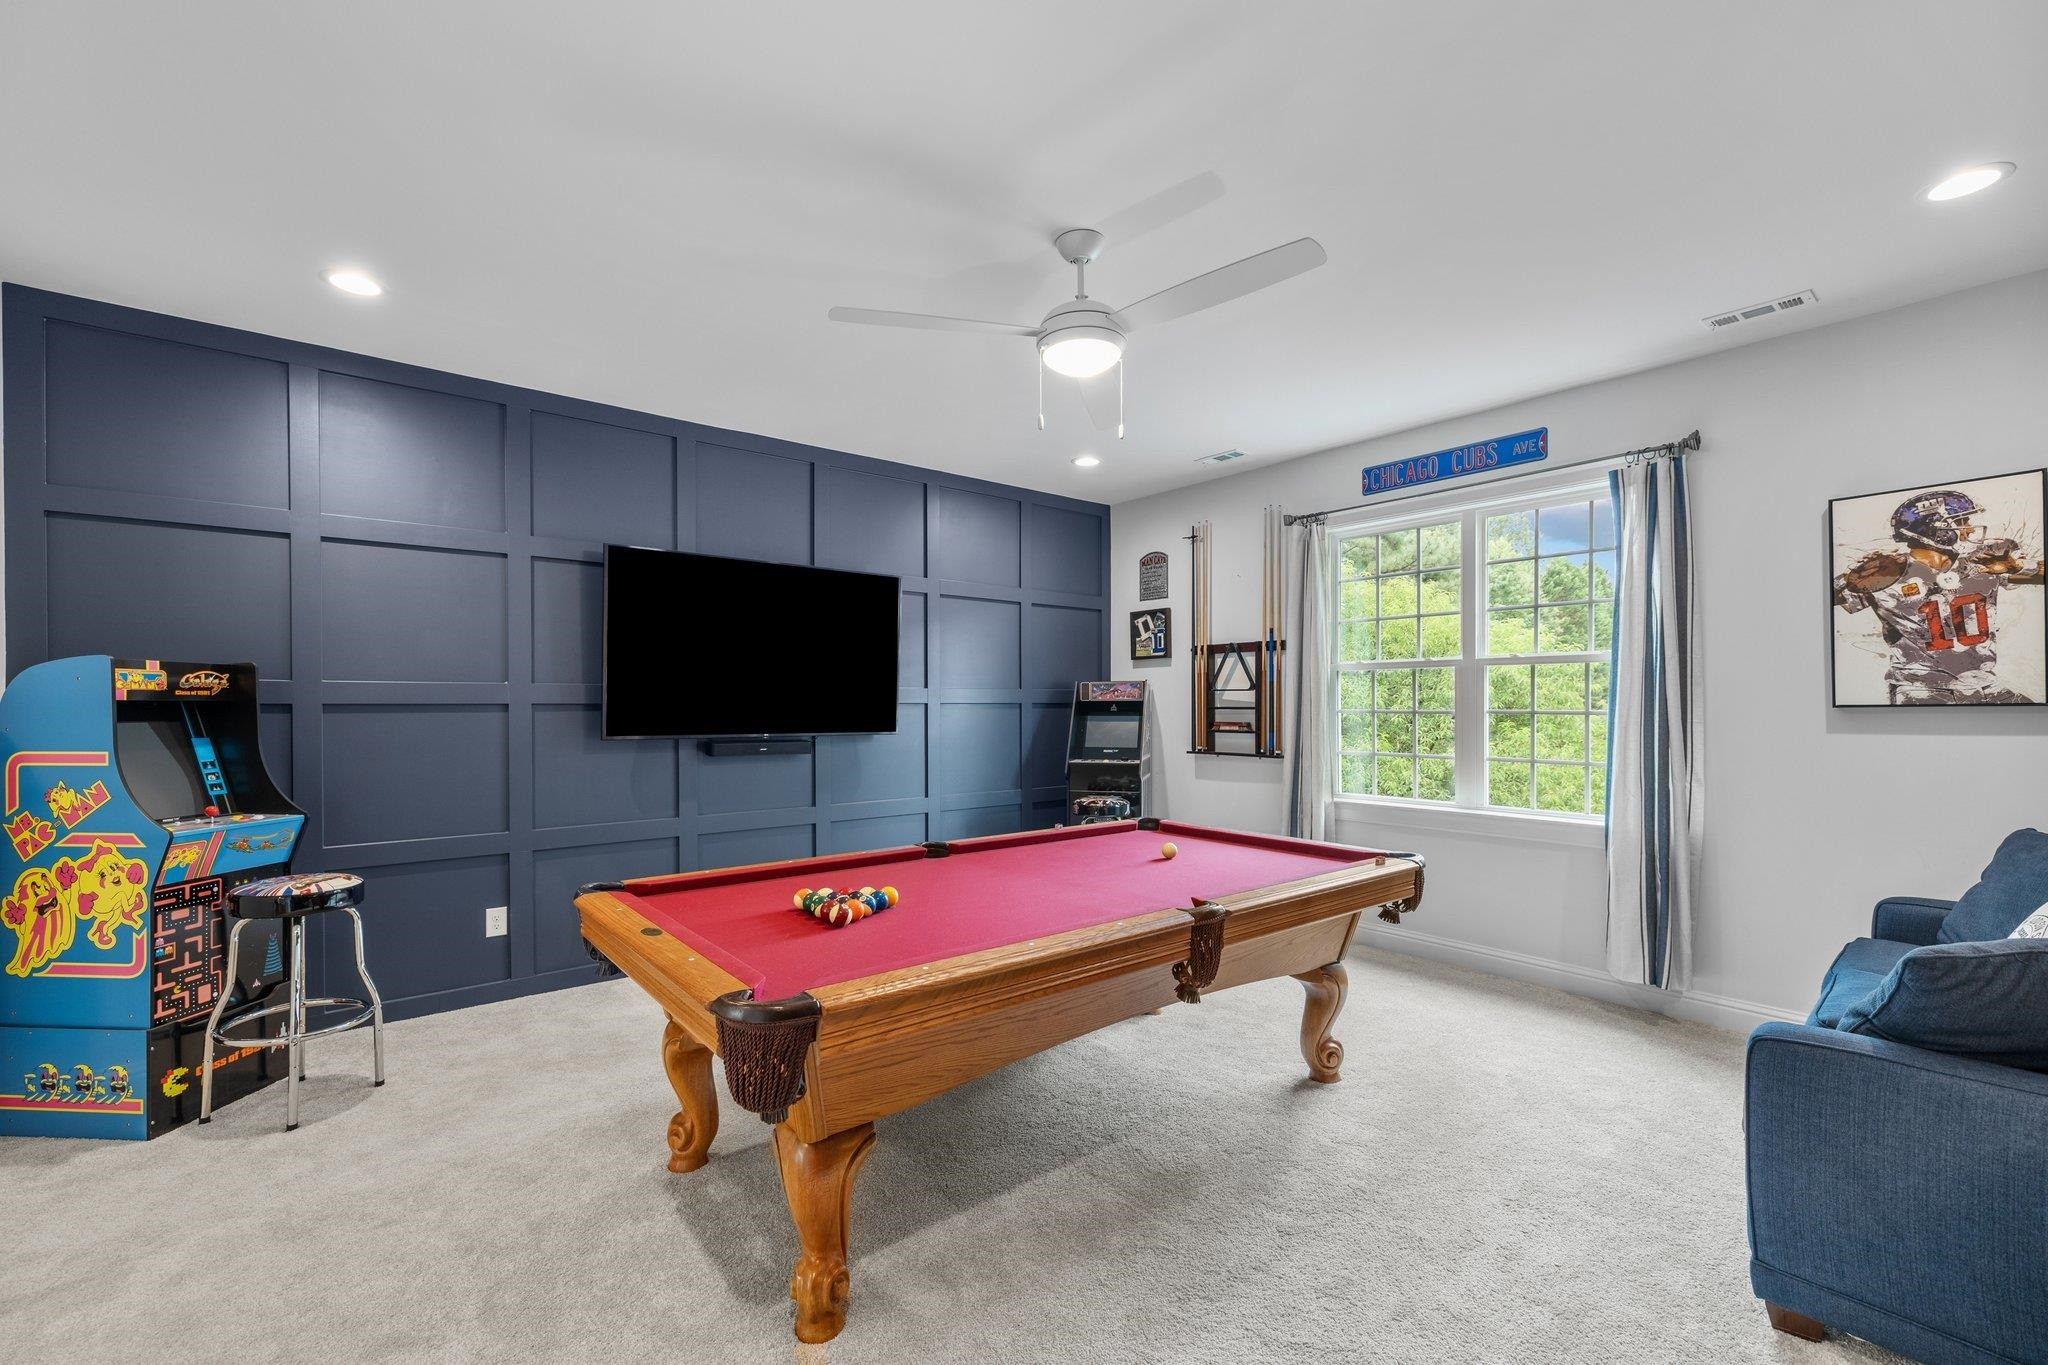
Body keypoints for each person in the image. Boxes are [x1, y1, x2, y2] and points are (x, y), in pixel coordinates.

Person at [1835, 488, 2045, 703]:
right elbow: (1815, 597)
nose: (1970, 529)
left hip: (1981, 683)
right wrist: (1847, 579)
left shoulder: (1979, 563)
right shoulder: (1886, 573)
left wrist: (2018, 566)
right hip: (1919, 687)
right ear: (1937, 528)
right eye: (1963, 521)